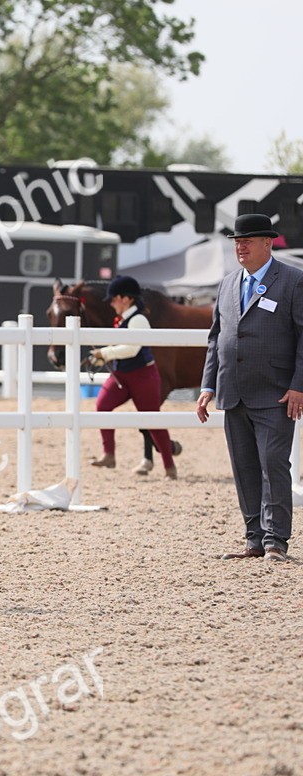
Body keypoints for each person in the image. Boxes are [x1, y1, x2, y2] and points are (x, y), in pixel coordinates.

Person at [198, 213, 303, 563]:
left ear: (267, 243)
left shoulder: (292, 280)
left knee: (273, 463)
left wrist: (299, 386)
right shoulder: (228, 283)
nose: (240, 246)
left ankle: (276, 541)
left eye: (247, 240)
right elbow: (217, 339)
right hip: (234, 390)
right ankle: (254, 539)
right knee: (244, 467)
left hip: (276, 392)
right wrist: (207, 384)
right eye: (236, 241)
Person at [87, 275, 177, 479]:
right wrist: (102, 357)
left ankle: (169, 466)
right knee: (102, 406)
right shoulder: (124, 319)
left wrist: (106, 353)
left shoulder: (138, 319)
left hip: (142, 377)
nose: (111, 303)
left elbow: (132, 348)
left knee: (152, 419)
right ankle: (109, 453)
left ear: (125, 299)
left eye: (113, 299)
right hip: (122, 375)